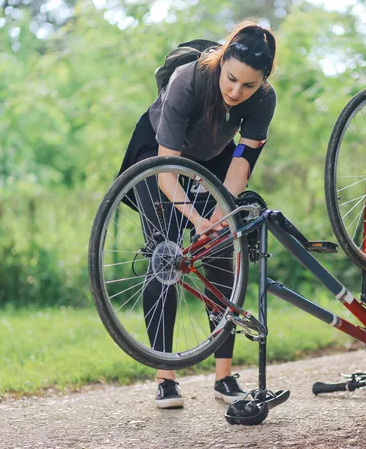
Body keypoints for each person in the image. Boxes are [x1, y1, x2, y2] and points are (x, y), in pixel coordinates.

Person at [117, 21, 277, 409]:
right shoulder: (188, 80)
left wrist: (220, 218)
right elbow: (168, 169)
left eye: (249, 86)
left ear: (263, 82)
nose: (236, 91)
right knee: (166, 255)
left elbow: (241, 163)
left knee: (221, 252)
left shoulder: (264, 100)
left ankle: (224, 378)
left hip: (214, 157)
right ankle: (165, 376)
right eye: (231, 79)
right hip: (158, 154)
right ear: (221, 61)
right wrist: (194, 218)